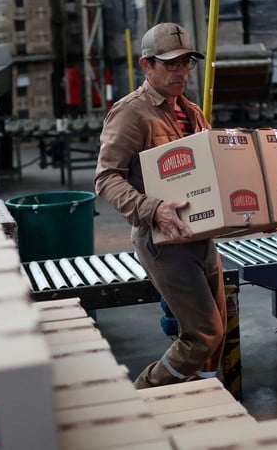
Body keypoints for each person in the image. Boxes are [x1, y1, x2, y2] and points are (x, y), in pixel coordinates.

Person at [94, 22, 227, 389]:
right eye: (170, 64)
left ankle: (203, 401)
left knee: (217, 332)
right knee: (203, 334)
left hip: (200, 235)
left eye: (186, 63)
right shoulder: (131, 114)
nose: (181, 71)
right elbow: (106, 178)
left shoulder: (193, 112)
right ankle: (144, 396)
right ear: (146, 65)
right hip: (163, 241)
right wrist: (153, 210)